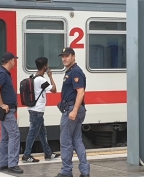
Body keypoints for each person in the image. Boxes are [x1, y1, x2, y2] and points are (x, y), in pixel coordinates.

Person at [55, 47, 90, 177]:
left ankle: (66, 172)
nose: (64, 58)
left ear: (73, 57)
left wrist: (74, 110)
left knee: (65, 141)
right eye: (63, 56)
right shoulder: (71, 71)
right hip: (73, 108)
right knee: (77, 140)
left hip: (72, 109)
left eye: (67, 56)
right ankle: (85, 172)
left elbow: (80, 92)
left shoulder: (75, 72)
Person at [0, 52, 23, 174]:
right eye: (14, 60)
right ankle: (12, 164)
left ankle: (3, 163)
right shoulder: (3, 73)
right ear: (10, 61)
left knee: (5, 137)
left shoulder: (1, 73)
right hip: (6, 111)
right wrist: (2, 104)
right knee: (14, 134)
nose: (15, 62)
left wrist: (0, 102)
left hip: (4, 109)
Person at [22, 57, 60, 162]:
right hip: (37, 111)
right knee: (33, 133)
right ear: (45, 67)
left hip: (33, 109)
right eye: (47, 65)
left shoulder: (33, 76)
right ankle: (26, 155)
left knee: (42, 132)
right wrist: (51, 76)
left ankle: (48, 153)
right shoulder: (41, 80)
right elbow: (54, 90)